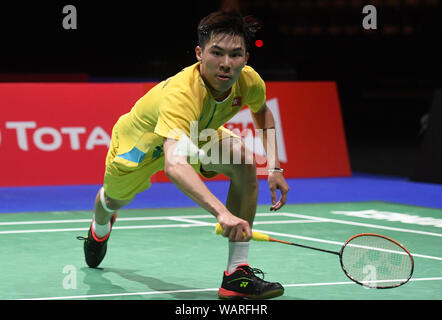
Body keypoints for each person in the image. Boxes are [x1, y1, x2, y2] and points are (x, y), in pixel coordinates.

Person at [78, 10, 290, 300]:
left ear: (246, 58)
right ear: (200, 53)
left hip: (198, 134)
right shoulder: (183, 92)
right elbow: (174, 164)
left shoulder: (249, 81)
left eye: (235, 55)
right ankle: (100, 227)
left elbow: (261, 110)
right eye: (217, 53)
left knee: (243, 159)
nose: (226, 64)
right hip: (141, 144)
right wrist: (222, 213)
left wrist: (275, 166)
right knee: (112, 200)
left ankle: (236, 272)